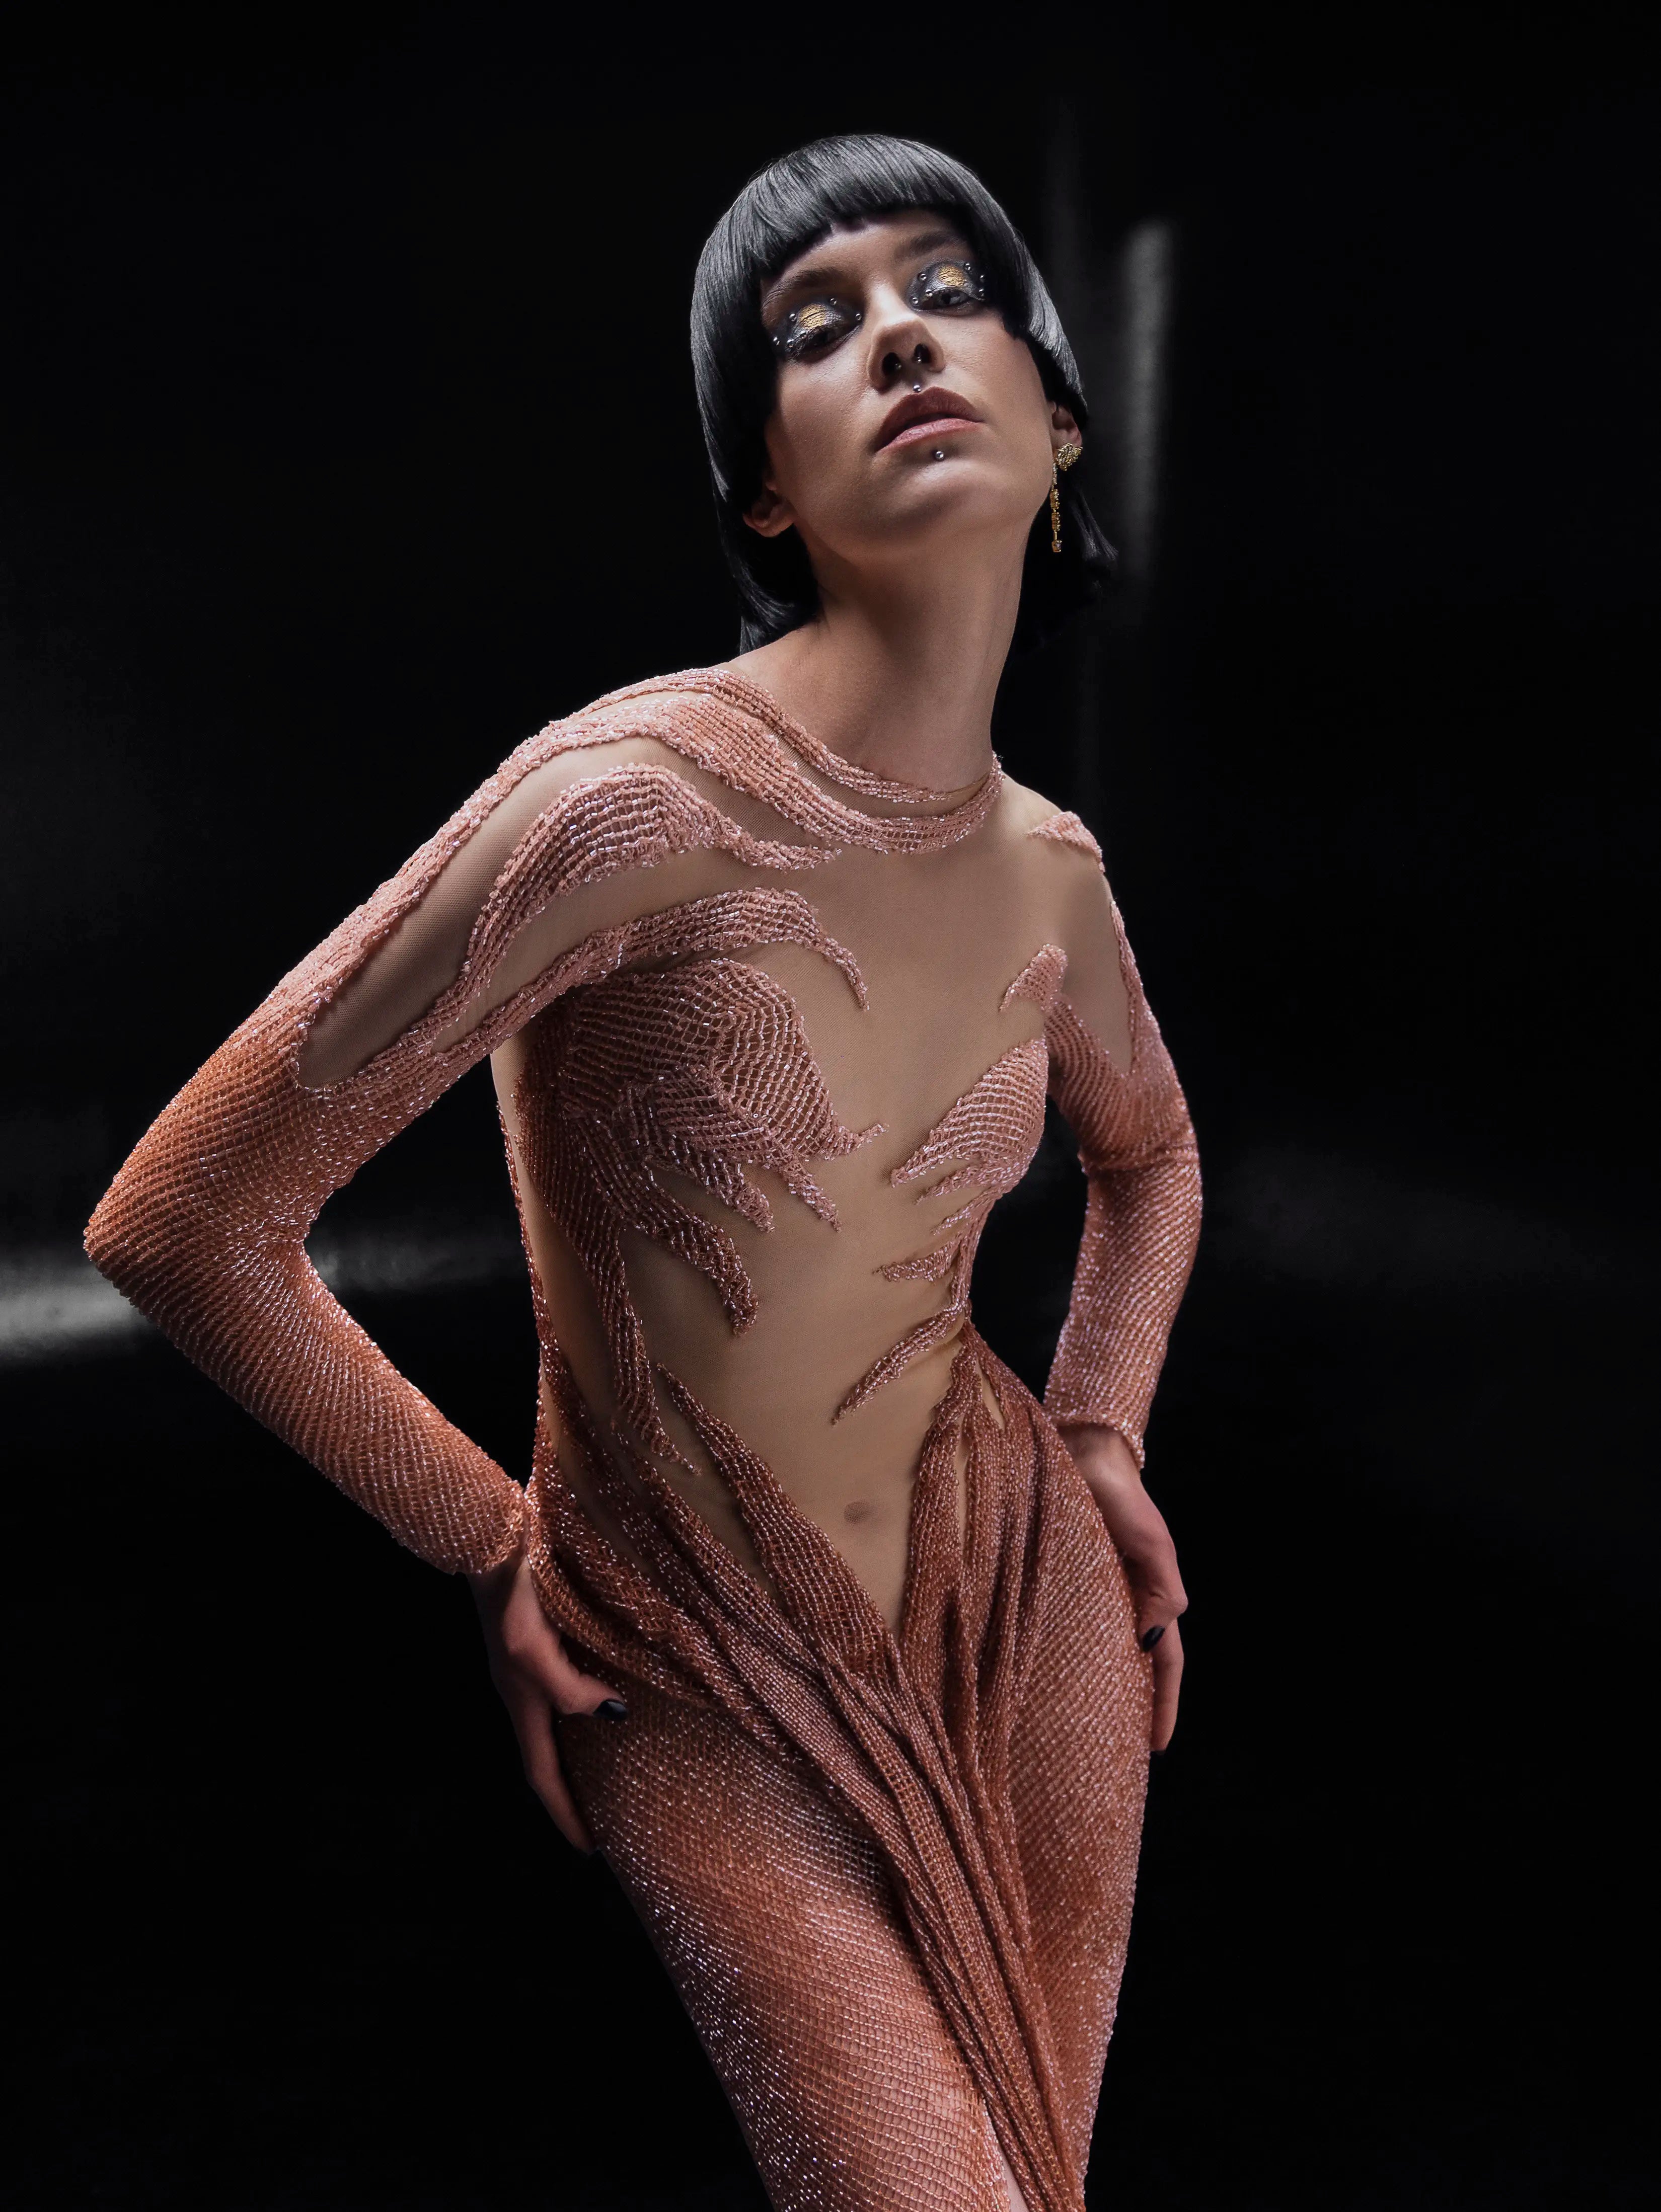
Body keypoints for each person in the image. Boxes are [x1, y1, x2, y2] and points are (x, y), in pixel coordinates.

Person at [87, 134, 1201, 2212]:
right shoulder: (618, 804)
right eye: (814, 325)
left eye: (947, 288)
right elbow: (184, 1219)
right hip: (684, 1653)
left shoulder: (1053, 867)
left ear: (1058, 422)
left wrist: (1103, 1435)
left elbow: (1154, 1161)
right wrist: (487, 1539)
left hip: (1025, 1600)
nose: (896, 338)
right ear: (763, 485)